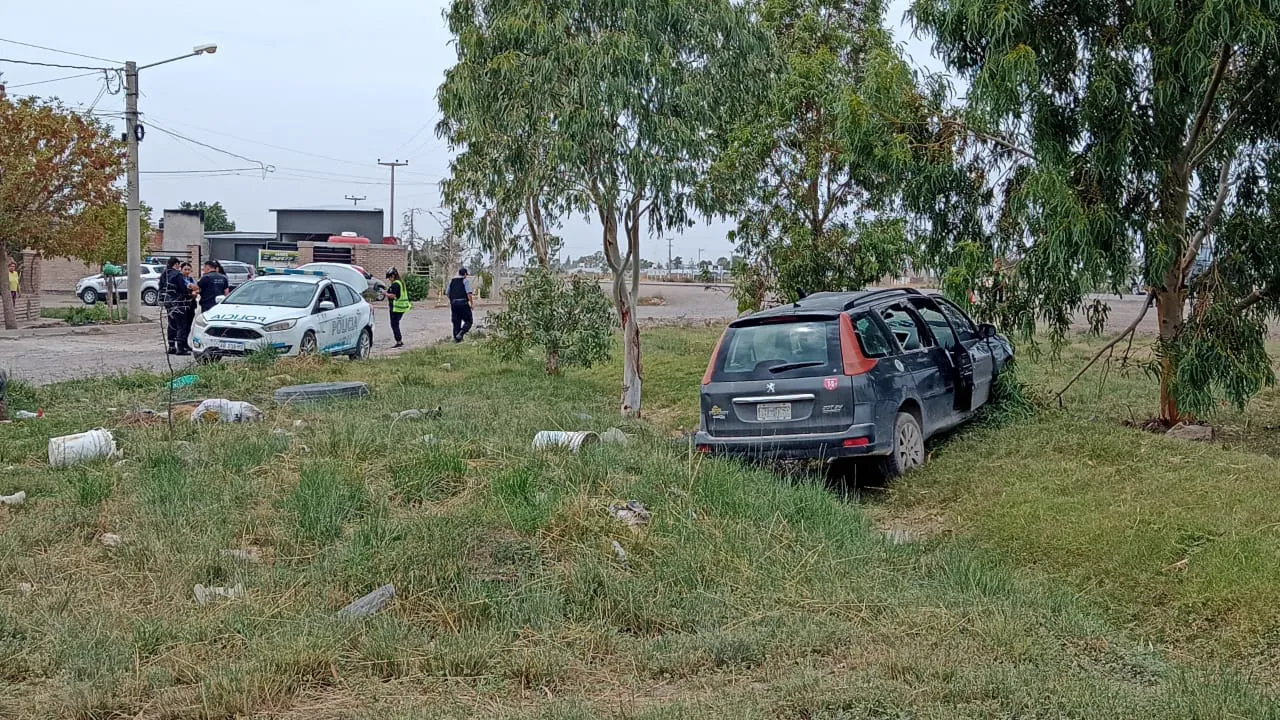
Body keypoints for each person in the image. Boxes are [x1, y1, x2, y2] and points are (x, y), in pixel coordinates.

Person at [385, 267, 410, 348]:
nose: (389, 279)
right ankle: (399, 341)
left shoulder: (395, 284)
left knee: (394, 324)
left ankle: (399, 341)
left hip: (396, 308)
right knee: (396, 324)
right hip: (402, 307)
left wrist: (385, 294)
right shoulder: (401, 282)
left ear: (393, 276)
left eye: (389, 277)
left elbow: (393, 295)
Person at [447, 267, 474, 343]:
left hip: (454, 304)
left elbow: (447, 293)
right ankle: (461, 332)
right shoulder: (465, 281)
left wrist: (452, 300)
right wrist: (471, 304)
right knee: (469, 321)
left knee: (456, 322)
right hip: (463, 303)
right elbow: (469, 293)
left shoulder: (452, 281)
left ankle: (456, 339)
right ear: (465, 274)